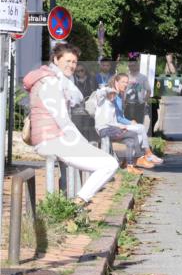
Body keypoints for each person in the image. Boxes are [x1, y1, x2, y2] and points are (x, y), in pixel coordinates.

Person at [22, 44, 120, 208]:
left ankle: (76, 202)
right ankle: (78, 204)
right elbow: (62, 120)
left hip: (50, 138)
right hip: (53, 139)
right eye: (68, 61)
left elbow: (73, 101)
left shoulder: (50, 79)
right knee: (109, 164)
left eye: (74, 62)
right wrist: (80, 141)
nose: (72, 65)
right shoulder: (52, 82)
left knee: (100, 164)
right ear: (56, 60)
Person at [96, 73, 163, 169]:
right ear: (116, 82)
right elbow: (117, 117)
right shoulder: (113, 94)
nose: (125, 84)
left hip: (115, 125)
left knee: (138, 132)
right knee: (139, 129)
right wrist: (129, 123)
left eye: (127, 82)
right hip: (111, 127)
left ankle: (129, 161)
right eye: (123, 82)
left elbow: (118, 115)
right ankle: (145, 155)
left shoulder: (119, 95)